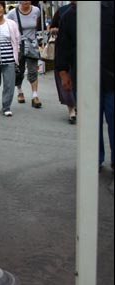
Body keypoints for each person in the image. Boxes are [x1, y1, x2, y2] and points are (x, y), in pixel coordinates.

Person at [55, 1, 114, 172]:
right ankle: (94, 159)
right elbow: (62, 48)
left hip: (112, 78)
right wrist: (64, 74)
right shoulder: (68, 16)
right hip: (84, 78)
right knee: (90, 122)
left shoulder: (111, 9)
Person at [7, 1, 43, 108]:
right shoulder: (12, 13)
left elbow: (36, 25)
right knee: (19, 70)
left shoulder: (36, 10)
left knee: (33, 70)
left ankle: (35, 96)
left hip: (32, 46)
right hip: (19, 46)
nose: (26, 1)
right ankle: (20, 91)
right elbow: (8, 27)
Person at [49, 1, 77, 124]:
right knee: (67, 84)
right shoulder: (63, 11)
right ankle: (71, 109)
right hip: (65, 53)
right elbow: (52, 26)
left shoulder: (95, 11)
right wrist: (55, 29)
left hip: (83, 55)